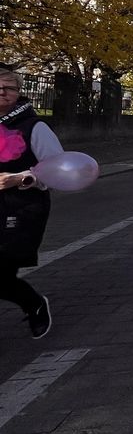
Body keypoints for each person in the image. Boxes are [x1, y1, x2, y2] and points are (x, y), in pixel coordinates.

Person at [0, 68, 62, 338]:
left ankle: (34, 304)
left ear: (18, 93)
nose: (2, 92)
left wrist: (21, 178)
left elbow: (57, 169)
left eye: (9, 88)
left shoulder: (34, 127)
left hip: (20, 208)